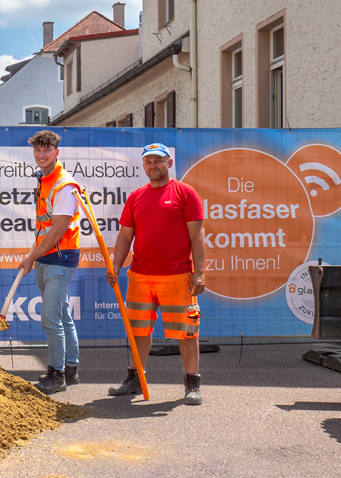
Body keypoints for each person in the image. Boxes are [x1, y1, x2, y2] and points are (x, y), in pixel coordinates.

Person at [106, 142, 206, 405]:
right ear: (143, 166)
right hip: (139, 276)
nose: (153, 165)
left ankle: (192, 382)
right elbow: (125, 236)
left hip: (178, 277)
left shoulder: (185, 193)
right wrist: (116, 266)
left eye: (158, 161)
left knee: (187, 332)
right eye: (148, 161)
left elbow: (197, 238)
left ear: (169, 163)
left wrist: (199, 273)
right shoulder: (136, 197)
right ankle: (135, 379)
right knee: (138, 331)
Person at [16, 130, 82, 395]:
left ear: (57, 152)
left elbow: (57, 230)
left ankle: (57, 374)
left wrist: (32, 256)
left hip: (60, 258)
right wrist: (33, 254)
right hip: (46, 256)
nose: (41, 155)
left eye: (47, 150)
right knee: (62, 313)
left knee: (50, 317)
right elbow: (45, 230)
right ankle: (71, 367)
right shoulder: (44, 180)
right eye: (37, 151)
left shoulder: (63, 185)